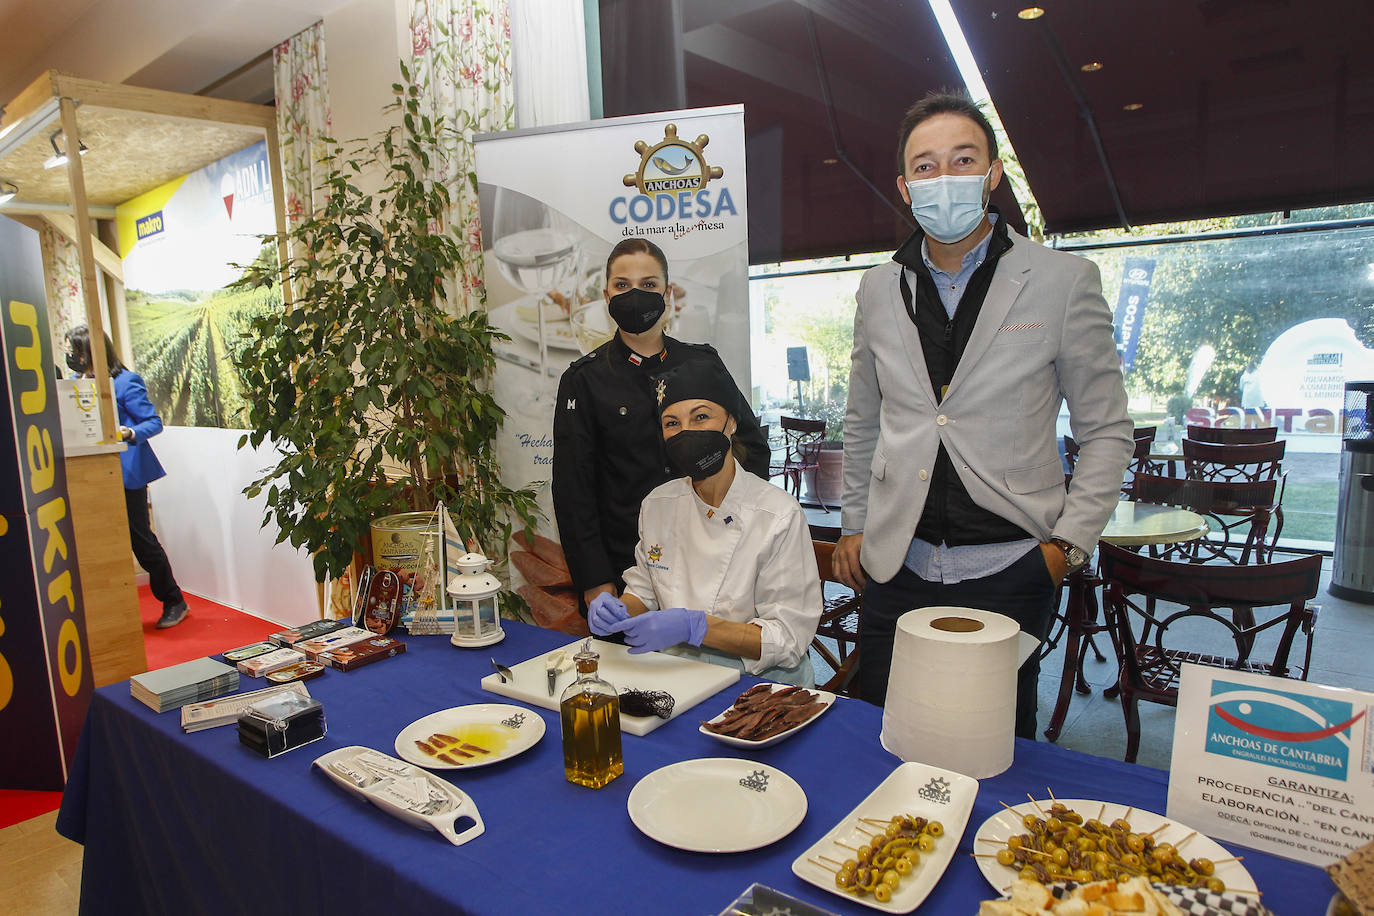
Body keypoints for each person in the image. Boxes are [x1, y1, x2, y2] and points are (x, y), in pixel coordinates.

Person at [831, 93, 1134, 737]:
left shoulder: (1061, 280)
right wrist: (854, 522)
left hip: (1010, 566)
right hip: (896, 562)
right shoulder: (879, 287)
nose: (944, 179)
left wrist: (1067, 547)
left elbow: (1106, 431)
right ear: (905, 187)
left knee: (990, 745)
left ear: (992, 174)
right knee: (884, 736)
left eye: (962, 160)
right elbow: (863, 421)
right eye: (926, 166)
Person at [552, 237, 770, 616]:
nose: (635, 294)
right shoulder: (583, 380)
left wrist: (740, 529)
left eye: (648, 285)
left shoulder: (703, 364)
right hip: (628, 569)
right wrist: (594, 580)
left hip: (715, 559)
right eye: (623, 285)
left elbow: (751, 449)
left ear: (667, 293)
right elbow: (574, 491)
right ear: (607, 296)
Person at [586, 359, 822, 685]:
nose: (686, 432)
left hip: (762, 688)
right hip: (678, 677)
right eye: (672, 422)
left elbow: (787, 638)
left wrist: (696, 626)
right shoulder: (658, 504)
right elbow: (644, 589)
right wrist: (619, 610)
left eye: (700, 417)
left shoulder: (777, 515)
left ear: (731, 422)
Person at [65, 326, 190, 629]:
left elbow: (153, 422)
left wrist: (128, 432)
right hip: (89, 476)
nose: (72, 357)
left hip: (126, 473)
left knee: (140, 540)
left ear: (93, 351)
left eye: (76, 351)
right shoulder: (74, 385)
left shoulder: (124, 382)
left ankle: (174, 599)